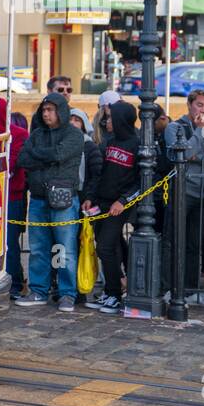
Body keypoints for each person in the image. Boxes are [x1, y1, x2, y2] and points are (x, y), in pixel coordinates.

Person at [16, 92, 85, 311]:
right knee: (38, 248)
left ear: (61, 111)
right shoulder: (36, 134)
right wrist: (46, 156)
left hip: (63, 200)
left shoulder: (74, 134)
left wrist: (40, 156)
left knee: (63, 249)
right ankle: (38, 290)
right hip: (38, 198)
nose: (46, 114)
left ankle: (67, 293)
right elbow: (23, 159)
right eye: (44, 110)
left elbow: (60, 155)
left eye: (51, 110)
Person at [162, 89, 204, 302]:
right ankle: (169, 289)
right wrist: (197, 132)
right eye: (199, 105)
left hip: (203, 192)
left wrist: (198, 155)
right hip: (181, 191)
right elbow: (182, 155)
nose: (203, 110)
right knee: (172, 241)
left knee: (195, 244)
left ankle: (192, 291)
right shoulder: (175, 127)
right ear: (189, 104)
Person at [82, 101, 139, 314]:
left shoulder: (137, 144)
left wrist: (123, 201)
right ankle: (110, 292)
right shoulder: (108, 142)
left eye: (112, 118)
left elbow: (142, 181)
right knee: (107, 247)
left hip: (119, 206)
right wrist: (90, 197)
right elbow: (99, 174)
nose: (107, 121)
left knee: (105, 247)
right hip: (101, 202)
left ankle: (115, 294)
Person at [0, 96, 29, 298]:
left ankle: (15, 281)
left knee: (10, 241)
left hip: (11, 194)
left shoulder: (19, 134)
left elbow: (12, 162)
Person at [69, 108, 104, 204]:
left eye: (77, 120)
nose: (72, 122)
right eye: (70, 119)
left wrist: (89, 197)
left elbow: (96, 175)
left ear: (83, 125)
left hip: (82, 196)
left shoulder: (90, 147)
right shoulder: (60, 144)